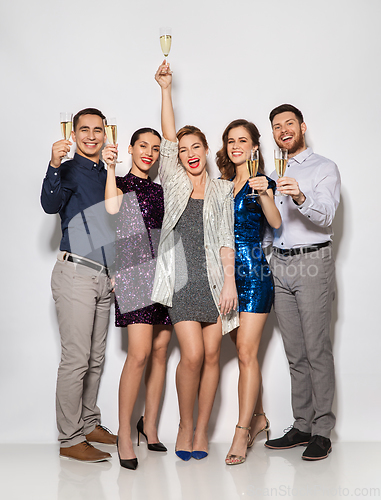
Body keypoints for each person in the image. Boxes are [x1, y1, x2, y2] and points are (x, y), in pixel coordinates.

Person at [152, 61, 239, 461]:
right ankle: (184, 425)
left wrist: (229, 282)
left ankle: (202, 430)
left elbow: (225, 239)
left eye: (195, 148)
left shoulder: (222, 189)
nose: (188, 154)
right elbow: (169, 138)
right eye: (183, 150)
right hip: (181, 280)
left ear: (207, 151)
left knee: (210, 357)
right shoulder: (173, 179)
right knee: (189, 356)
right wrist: (166, 89)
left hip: (214, 280)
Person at [264, 104, 340, 461]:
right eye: (277, 126)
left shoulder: (324, 167)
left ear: (302, 127)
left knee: (317, 351)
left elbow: (326, 217)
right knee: (295, 354)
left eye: (289, 124)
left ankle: (323, 430)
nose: (283, 130)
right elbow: (272, 223)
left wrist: (300, 196)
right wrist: (268, 255)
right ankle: (302, 425)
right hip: (280, 264)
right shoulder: (271, 171)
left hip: (313, 261)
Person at [40, 108, 117, 462]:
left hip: (102, 276)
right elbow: (50, 204)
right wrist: (53, 165)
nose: (91, 135)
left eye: (97, 130)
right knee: (75, 360)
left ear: (105, 134)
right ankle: (70, 439)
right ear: (73, 134)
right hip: (75, 273)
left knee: (95, 359)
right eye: (84, 130)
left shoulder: (106, 172)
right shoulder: (68, 169)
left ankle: (88, 423)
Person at [102, 128, 172, 470]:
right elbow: (113, 211)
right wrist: (108, 167)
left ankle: (151, 427)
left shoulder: (160, 190)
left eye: (155, 149)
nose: (149, 152)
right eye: (143, 146)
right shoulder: (118, 182)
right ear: (130, 148)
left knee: (160, 351)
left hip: (165, 274)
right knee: (140, 354)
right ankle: (124, 434)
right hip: (133, 274)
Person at [216, 120, 281, 465]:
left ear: (255, 146)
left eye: (243, 140)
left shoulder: (262, 183)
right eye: (231, 141)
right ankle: (259, 419)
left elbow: (276, 222)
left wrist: (266, 193)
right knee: (238, 348)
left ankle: (241, 432)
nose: (236, 145)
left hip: (254, 275)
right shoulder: (223, 185)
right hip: (224, 278)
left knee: (245, 352)